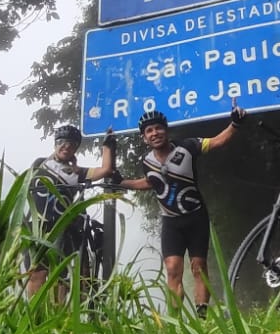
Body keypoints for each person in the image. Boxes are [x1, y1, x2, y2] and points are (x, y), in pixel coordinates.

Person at [121, 105, 245, 316]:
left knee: (198, 267)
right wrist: (122, 182)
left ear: (166, 130)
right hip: (171, 222)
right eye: (149, 131)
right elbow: (152, 183)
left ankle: (202, 316)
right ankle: (175, 322)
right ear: (144, 138)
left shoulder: (187, 146)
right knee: (172, 269)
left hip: (196, 217)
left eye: (158, 128)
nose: (154, 133)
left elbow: (217, 141)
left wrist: (235, 123)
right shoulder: (146, 161)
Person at [26, 124, 115, 299]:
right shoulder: (40, 163)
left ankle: (58, 321)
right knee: (36, 273)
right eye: (62, 142)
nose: (66, 147)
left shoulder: (77, 173)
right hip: (37, 226)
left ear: (75, 149)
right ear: (55, 144)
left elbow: (105, 170)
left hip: (61, 228)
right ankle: (34, 320)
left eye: (71, 145)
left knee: (60, 277)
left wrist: (107, 145)